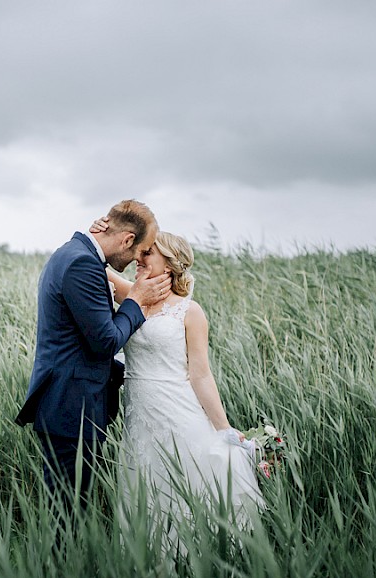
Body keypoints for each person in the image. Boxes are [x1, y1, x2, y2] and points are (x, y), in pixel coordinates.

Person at [91, 218, 265, 550]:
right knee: (146, 486)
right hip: (140, 416)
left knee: (185, 486)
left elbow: (200, 374)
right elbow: (94, 261)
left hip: (177, 412)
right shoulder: (134, 295)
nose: (139, 258)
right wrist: (103, 228)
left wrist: (223, 428)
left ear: (170, 264)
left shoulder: (190, 311)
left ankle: (194, 557)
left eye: (149, 253)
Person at [15, 200, 172, 512]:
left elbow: (79, 339)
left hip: (68, 402)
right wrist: (137, 301)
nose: (136, 260)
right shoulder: (81, 263)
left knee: (68, 508)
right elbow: (105, 341)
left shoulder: (75, 253)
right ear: (127, 239)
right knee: (68, 513)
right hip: (72, 405)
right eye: (139, 251)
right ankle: (62, 563)